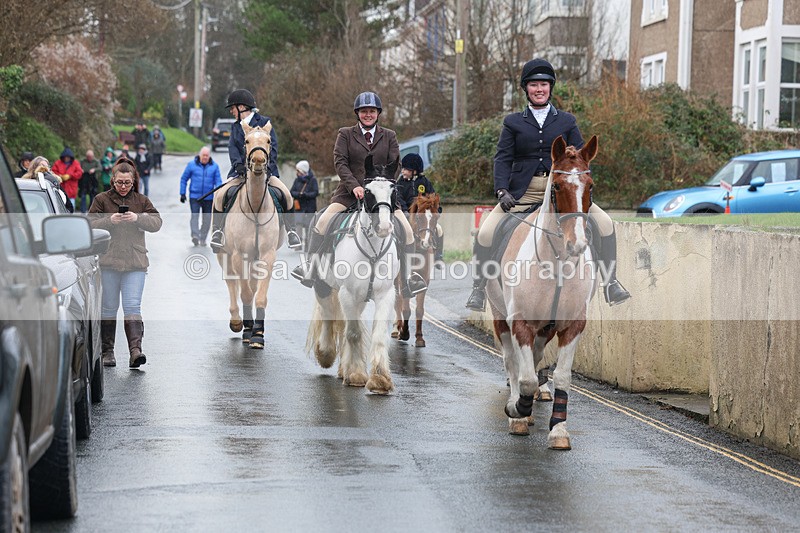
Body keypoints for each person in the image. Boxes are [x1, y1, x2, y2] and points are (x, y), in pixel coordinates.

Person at [465, 58, 631, 311]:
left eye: (543, 84)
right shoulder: (513, 122)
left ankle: (611, 282)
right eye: (534, 85)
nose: (539, 89)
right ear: (526, 89)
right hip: (524, 191)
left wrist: (577, 185)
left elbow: (582, 159)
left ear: (550, 87)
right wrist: (502, 190)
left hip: (563, 192)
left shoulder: (567, 121)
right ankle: (478, 288)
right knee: (486, 232)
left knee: (606, 224)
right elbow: (503, 158)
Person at [291, 91, 427, 297]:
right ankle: (310, 268)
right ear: (358, 113)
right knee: (322, 222)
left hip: (381, 195)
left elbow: (395, 165)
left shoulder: (389, 136)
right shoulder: (345, 134)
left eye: (372, 111)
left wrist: (381, 184)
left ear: (378, 113)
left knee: (407, 230)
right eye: (364, 111)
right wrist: (354, 185)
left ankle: (408, 280)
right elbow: (340, 162)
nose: (368, 115)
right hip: (348, 193)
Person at [88, 159, 162, 368]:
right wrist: (109, 221)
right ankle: (107, 352)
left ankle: (135, 352)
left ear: (133, 182)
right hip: (108, 262)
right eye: (119, 182)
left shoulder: (141, 200)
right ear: (112, 180)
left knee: (132, 306)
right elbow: (89, 224)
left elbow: (157, 223)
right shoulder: (101, 200)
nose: (123, 187)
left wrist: (137, 218)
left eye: (127, 183)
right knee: (109, 308)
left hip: (135, 263)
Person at [209, 89, 301, 252]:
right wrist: (239, 166)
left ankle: (292, 232)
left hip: (265, 173)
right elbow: (233, 148)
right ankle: (217, 232)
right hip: (240, 173)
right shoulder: (236, 127)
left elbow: (273, 148)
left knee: (286, 194)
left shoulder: (265, 123)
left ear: (242, 107)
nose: (231, 111)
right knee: (220, 195)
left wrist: (267, 168)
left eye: (233, 108)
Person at [397, 153, 444, 263]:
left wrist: (436, 210)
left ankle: (439, 256)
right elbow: (398, 197)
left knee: (439, 229)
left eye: (406, 169)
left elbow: (432, 196)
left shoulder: (424, 182)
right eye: (402, 169)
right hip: (407, 214)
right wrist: (405, 211)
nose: (402, 171)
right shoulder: (401, 183)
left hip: (422, 216)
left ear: (414, 171)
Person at [180, 146, 222, 246]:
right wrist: (182, 193)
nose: (205, 157)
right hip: (195, 196)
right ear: (200, 155)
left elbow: (218, 181)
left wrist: (219, 194)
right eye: (203, 155)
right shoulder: (191, 165)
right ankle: (195, 236)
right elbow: (184, 179)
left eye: (207, 156)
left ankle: (203, 238)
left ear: (209, 156)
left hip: (208, 197)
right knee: (194, 216)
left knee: (207, 219)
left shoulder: (214, 167)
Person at [289, 160, 319, 242]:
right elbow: (291, 192)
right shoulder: (297, 180)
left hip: (309, 207)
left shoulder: (313, 180)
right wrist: (299, 194)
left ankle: (308, 242)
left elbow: (315, 192)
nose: (297, 173)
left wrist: (305, 195)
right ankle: (298, 241)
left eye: (298, 171)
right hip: (299, 207)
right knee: (298, 224)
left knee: (308, 225)